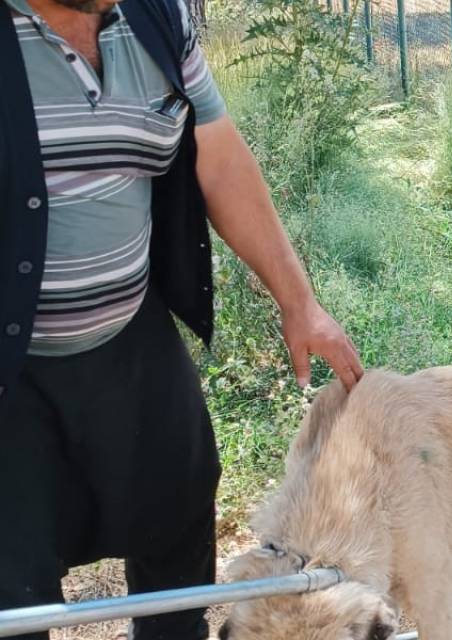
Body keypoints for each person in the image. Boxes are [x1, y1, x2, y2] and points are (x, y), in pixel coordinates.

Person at [0, 0, 363, 636]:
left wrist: (299, 303)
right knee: (14, 580)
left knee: (176, 513)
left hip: (132, 337)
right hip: (13, 372)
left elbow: (218, 157)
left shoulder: (155, 19)